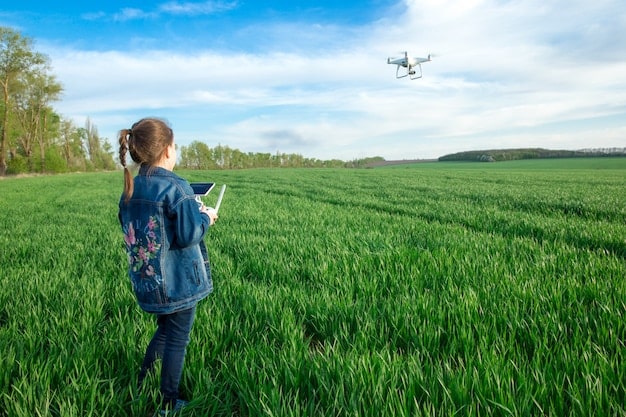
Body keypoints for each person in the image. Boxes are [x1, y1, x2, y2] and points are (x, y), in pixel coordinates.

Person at [117, 117, 218, 415]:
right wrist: (206, 218)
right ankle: (168, 402)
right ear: (168, 150)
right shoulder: (178, 187)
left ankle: (144, 381)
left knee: (164, 331)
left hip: (148, 280)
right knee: (177, 339)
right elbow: (188, 235)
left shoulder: (131, 188)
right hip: (178, 283)